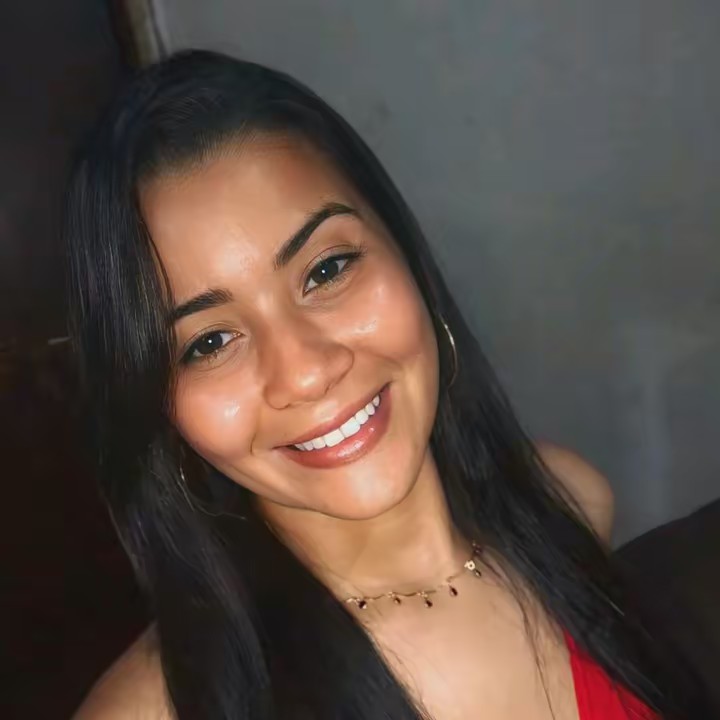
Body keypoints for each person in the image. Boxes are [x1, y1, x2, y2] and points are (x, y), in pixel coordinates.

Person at [65, 50, 699, 719]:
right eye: (209, 343)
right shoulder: (155, 710)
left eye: (327, 269)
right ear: (158, 410)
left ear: (407, 256)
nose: (306, 371)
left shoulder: (568, 503)